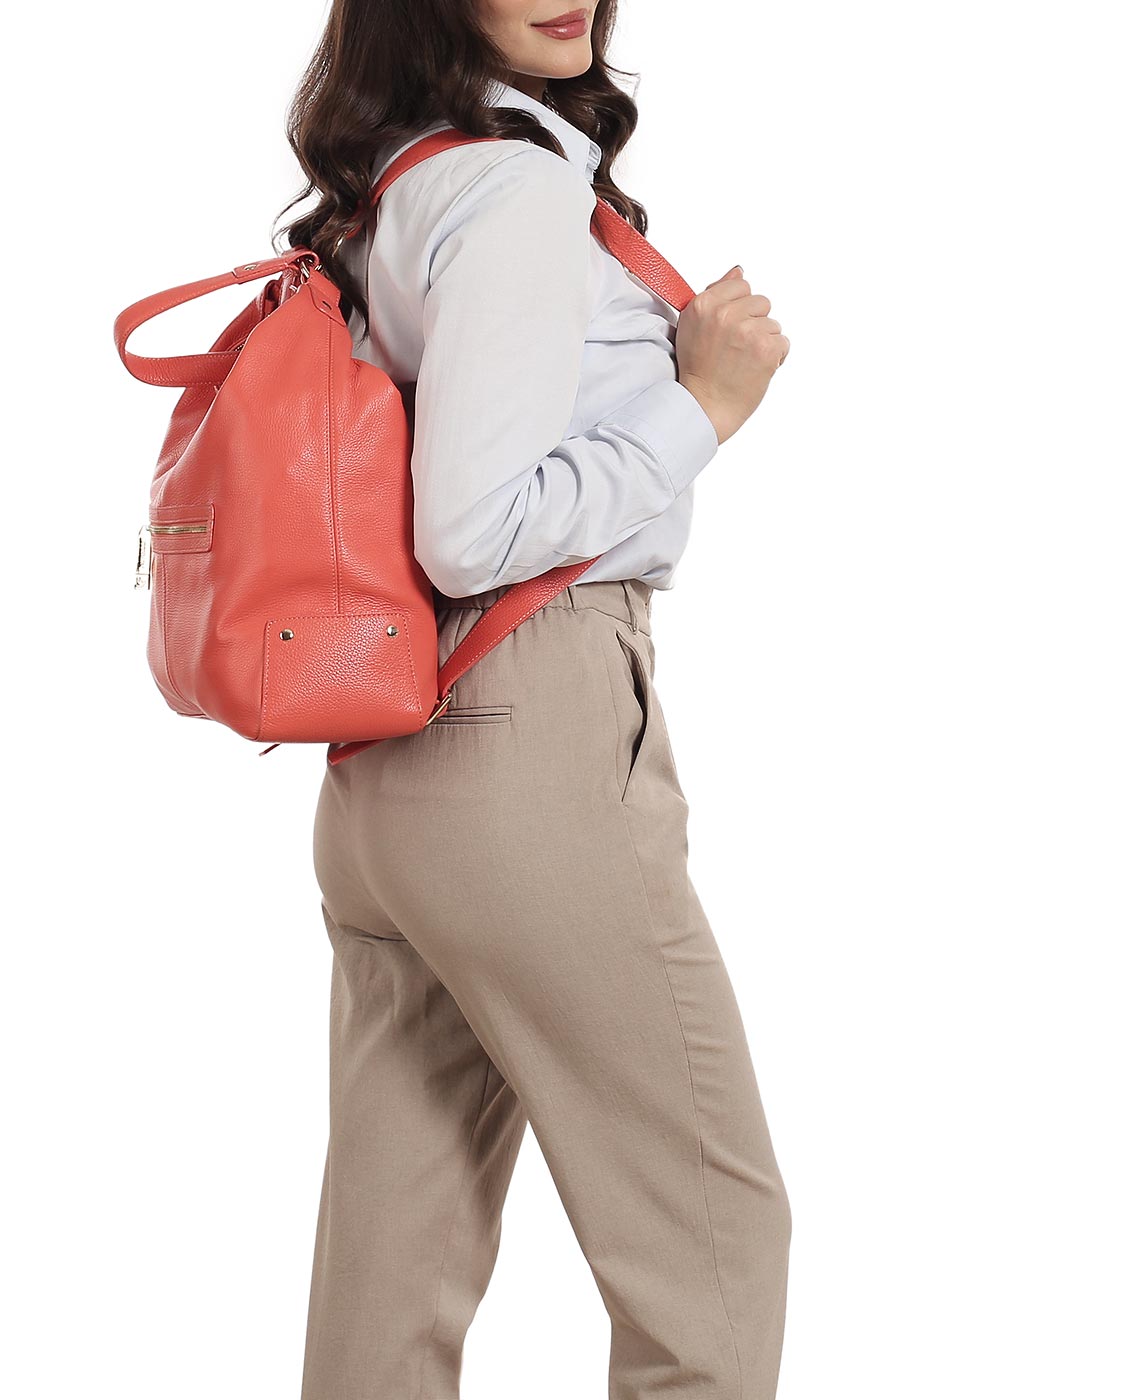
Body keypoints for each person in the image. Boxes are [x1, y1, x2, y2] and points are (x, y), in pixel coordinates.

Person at [282, 4, 793, 1396]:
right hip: (530, 741)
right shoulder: (512, 191)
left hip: (391, 768)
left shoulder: (403, 178)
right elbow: (471, 530)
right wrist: (705, 406)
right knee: (712, 1241)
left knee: (395, 1265)